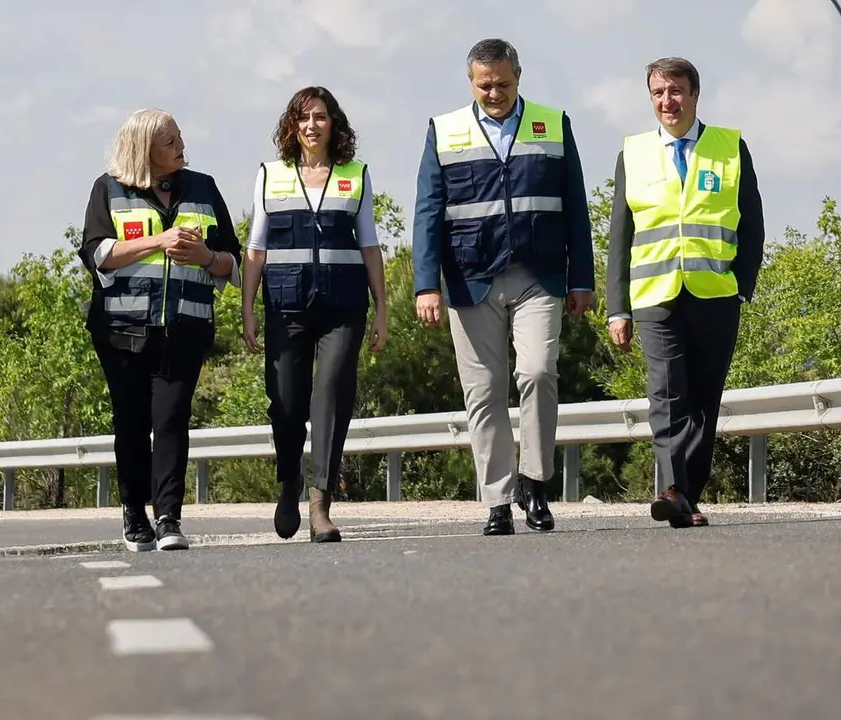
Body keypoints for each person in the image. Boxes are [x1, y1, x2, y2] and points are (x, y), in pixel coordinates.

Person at [412, 38, 594, 536]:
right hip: (470, 278)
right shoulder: (444, 130)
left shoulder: (552, 124)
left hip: (539, 275)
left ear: (519, 76)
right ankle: (496, 500)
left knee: (537, 371)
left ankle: (535, 483)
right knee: (484, 391)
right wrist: (425, 285)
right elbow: (427, 212)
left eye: (503, 83)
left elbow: (575, 205)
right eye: (484, 84)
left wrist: (582, 278)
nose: (494, 93)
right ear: (471, 81)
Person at [605, 57, 765, 528]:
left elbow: (752, 224)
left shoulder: (729, 147)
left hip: (716, 293)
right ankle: (674, 490)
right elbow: (620, 235)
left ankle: (686, 496)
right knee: (667, 392)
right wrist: (618, 308)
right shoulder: (632, 153)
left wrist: (743, 286)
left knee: (703, 400)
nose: (666, 101)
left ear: (695, 94)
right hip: (655, 294)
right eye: (657, 93)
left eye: (675, 91)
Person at [78, 108, 242, 552]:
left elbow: (234, 259)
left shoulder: (203, 188)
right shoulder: (108, 189)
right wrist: (159, 241)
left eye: (179, 138)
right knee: (131, 423)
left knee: (171, 419)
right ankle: (134, 513)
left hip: (186, 328)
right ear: (144, 149)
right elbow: (96, 253)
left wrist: (206, 257)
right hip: (122, 331)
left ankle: (169, 516)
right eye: (170, 142)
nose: (181, 147)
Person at [240, 86, 389, 543]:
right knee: (286, 405)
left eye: (320, 117)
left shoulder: (355, 174)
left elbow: (369, 244)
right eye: (303, 117)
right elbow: (256, 247)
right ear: (291, 125)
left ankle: (320, 502)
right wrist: (246, 310)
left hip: (343, 307)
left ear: (333, 124)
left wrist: (383, 308)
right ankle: (289, 484)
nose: (311, 125)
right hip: (285, 307)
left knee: (331, 396)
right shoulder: (271, 175)